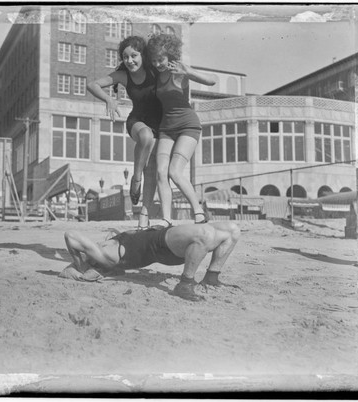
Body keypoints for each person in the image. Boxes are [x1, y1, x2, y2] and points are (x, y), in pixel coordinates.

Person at [87, 36, 162, 229]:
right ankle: (136, 178)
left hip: (160, 124)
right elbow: (92, 85)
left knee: (152, 171)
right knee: (145, 136)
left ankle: (143, 219)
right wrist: (108, 99)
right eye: (125, 57)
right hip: (137, 121)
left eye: (134, 56)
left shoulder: (154, 70)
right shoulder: (124, 75)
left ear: (143, 55)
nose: (130, 61)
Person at [63, 221, 241, 302]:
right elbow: (70, 235)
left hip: (168, 238)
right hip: (162, 245)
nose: (100, 242)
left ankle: (211, 277)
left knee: (233, 230)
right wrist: (80, 265)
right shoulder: (106, 255)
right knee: (206, 234)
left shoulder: (111, 245)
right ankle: (185, 284)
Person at [146, 33, 217, 227]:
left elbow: (212, 80)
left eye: (160, 59)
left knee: (175, 172)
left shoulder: (180, 71)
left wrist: (189, 72)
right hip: (166, 128)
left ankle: (199, 212)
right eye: (154, 60)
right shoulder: (156, 76)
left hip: (188, 126)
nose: (158, 63)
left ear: (169, 55)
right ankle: (166, 219)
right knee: (161, 172)